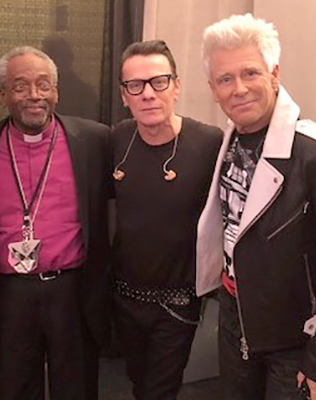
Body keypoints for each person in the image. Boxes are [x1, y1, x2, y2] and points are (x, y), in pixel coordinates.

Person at [0, 46, 111, 400]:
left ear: (56, 92)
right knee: (12, 389)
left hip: (72, 291)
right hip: (7, 295)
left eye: (44, 85)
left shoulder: (94, 140)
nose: (34, 95)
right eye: (20, 86)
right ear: (2, 95)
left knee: (76, 390)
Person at [198, 13, 316, 400]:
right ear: (213, 89)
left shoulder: (314, 152)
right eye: (225, 79)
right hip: (236, 319)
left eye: (250, 73)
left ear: (274, 74)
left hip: (296, 340)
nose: (239, 89)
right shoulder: (226, 142)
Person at [111, 39, 222, 400]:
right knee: (137, 381)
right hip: (125, 296)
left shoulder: (209, 143)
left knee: (159, 390)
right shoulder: (117, 139)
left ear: (176, 86)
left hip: (178, 301)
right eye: (135, 85)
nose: (148, 94)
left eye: (159, 81)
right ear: (124, 95)